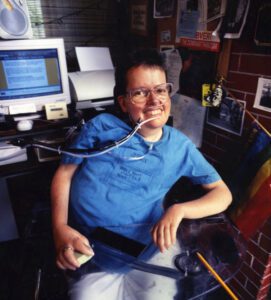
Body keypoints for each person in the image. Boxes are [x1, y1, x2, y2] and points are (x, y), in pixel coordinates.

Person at [51, 48, 232, 300]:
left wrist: (178, 210)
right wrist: (59, 227)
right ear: (124, 102)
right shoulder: (101, 128)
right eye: (140, 93)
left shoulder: (180, 147)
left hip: (147, 251)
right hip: (90, 249)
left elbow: (222, 194)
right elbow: (64, 173)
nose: (154, 100)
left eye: (160, 90)